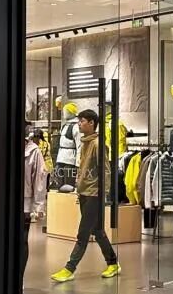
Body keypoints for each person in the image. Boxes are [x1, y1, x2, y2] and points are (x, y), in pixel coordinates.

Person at [50, 110, 120, 282]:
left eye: (82, 121)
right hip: (84, 192)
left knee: (83, 233)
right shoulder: (85, 143)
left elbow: (105, 171)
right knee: (97, 230)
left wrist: (103, 194)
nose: (79, 124)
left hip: (94, 195)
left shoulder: (97, 144)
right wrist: (79, 189)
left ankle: (70, 268)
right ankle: (113, 263)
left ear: (91, 123)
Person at [23, 122, 46, 279]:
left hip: (25, 204)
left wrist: (38, 207)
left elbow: (39, 179)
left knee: (22, 241)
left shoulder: (33, 151)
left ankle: (19, 278)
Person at [53, 102, 81, 188]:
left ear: (72, 113)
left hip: (70, 160)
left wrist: (78, 163)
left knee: (68, 184)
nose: (64, 114)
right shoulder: (64, 126)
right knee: (59, 183)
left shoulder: (76, 127)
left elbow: (79, 146)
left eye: (66, 111)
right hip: (61, 158)